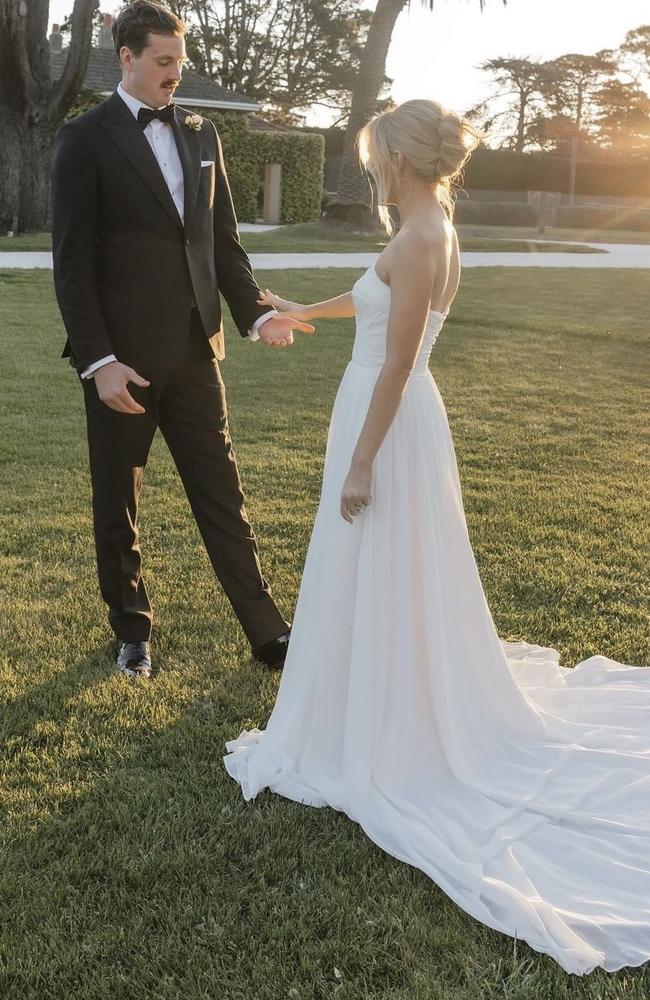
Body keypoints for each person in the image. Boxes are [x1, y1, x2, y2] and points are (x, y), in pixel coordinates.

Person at [224, 99, 650, 975]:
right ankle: (373, 691)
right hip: (382, 413)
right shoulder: (425, 224)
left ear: (404, 161)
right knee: (377, 572)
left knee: (377, 556)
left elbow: (399, 359)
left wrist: (362, 464)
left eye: (376, 155)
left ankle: (387, 722)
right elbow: (375, 300)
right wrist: (309, 306)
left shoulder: (423, 236)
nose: (369, 168)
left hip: (388, 422)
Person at [51, 0, 313, 679]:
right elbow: (72, 263)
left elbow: (221, 243)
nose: (176, 73)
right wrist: (100, 362)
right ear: (128, 58)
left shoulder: (203, 134)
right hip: (123, 364)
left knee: (223, 496)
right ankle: (132, 633)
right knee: (119, 501)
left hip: (199, 355)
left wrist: (257, 316)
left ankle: (267, 632)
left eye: (181, 61)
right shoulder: (83, 139)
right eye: (164, 62)